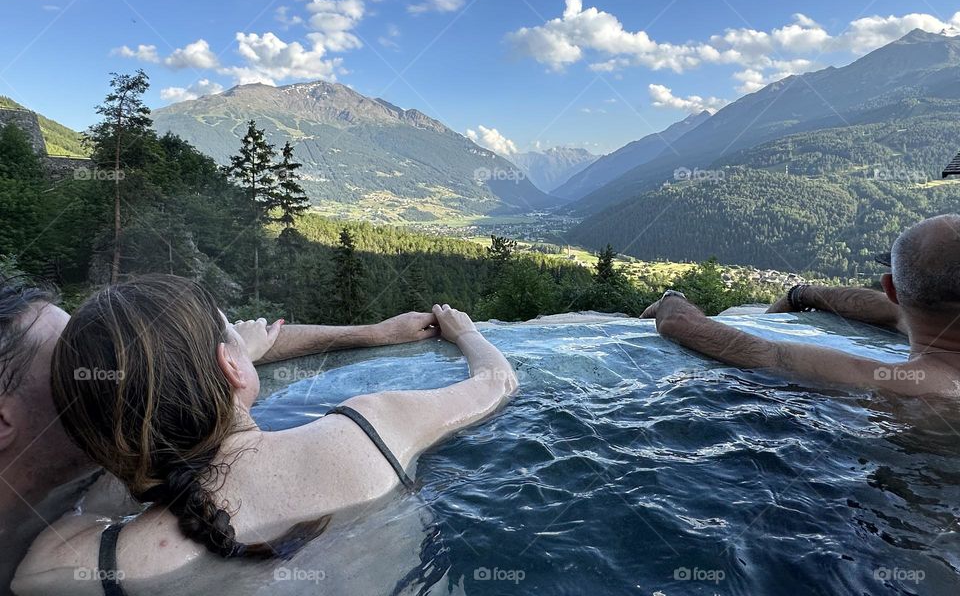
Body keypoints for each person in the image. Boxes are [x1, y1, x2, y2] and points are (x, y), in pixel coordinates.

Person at [12, 275, 517, 595]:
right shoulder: (373, 427)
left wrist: (208, 376)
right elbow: (497, 384)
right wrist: (465, 333)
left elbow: (126, 477)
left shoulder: (67, 566)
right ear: (230, 366)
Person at [641, 215, 960, 397]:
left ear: (890, 287)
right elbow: (884, 310)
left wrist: (672, 299)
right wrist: (801, 295)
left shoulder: (892, 384)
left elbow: (683, 327)